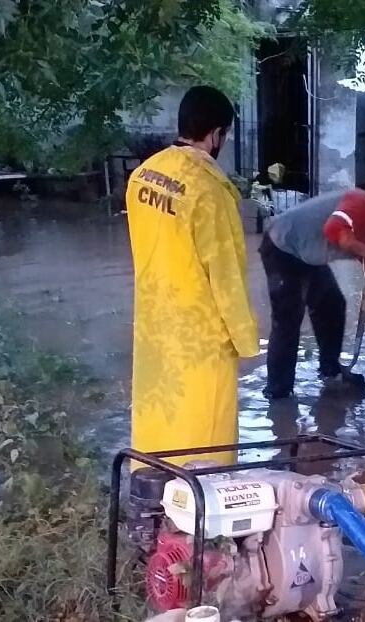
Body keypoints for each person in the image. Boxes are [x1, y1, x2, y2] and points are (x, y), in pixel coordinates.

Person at [125, 85, 259, 466]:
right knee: (205, 439)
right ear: (216, 133)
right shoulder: (209, 190)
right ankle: (201, 513)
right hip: (201, 339)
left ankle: (152, 499)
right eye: (224, 135)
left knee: (158, 425)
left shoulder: (143, 176)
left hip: (154, 327)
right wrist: (247, 341)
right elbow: (227, 275)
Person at [260, 182, 365, 400]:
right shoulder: (361, 203)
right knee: (288, 318)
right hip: (282, 246)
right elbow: (334, 230)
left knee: (332, 304)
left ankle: (331, 371)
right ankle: (278, 393)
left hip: (309, 255)